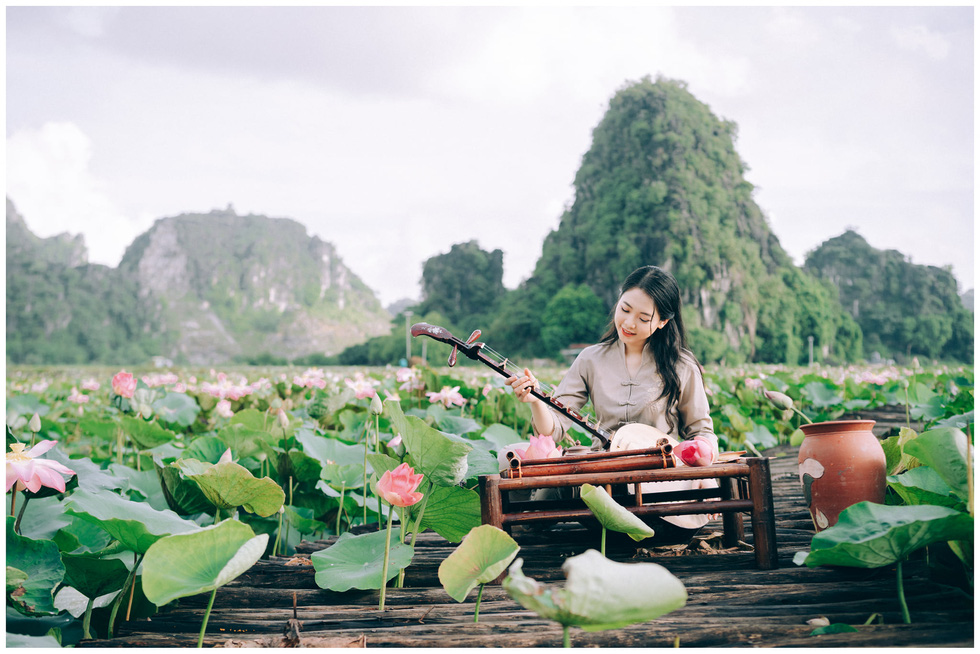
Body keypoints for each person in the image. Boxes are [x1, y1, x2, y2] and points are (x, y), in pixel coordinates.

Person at [504, 265, 720, 543]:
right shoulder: (590, 359)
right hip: (604, 484)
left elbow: (702, 432)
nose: (629, 323)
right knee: (510, 455)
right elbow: (553, 430)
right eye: (625, 309)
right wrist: (535, 401)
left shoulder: (682, 365)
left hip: (660, 485)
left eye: (643, 318)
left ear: (663, 322)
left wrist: (706, 471)